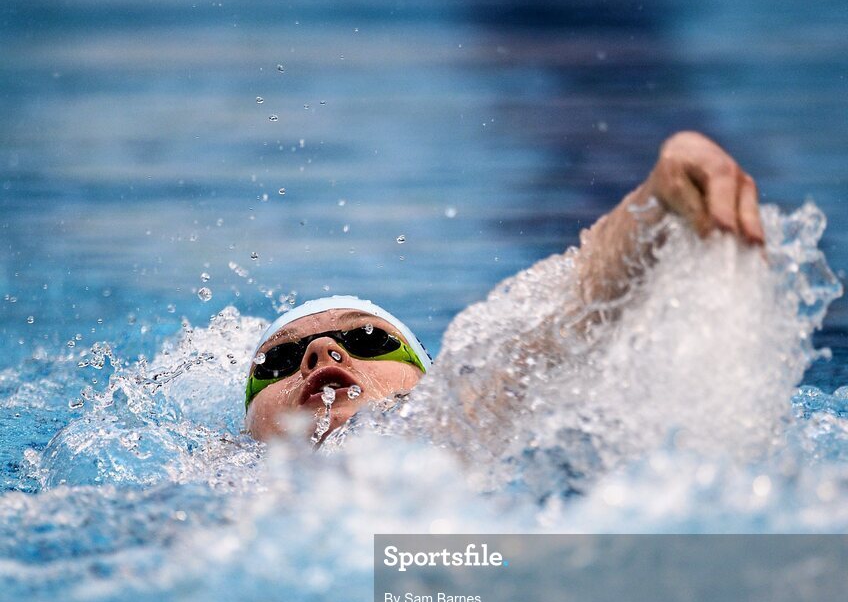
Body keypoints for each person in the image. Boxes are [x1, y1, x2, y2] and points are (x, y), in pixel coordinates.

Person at [245, 131, 765, 443]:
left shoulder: (453, 439)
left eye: (369, 340)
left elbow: (569, 320)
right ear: (244, 425)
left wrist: (656, 200)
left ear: (428, 386)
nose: (321, 350)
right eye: (277, 363)